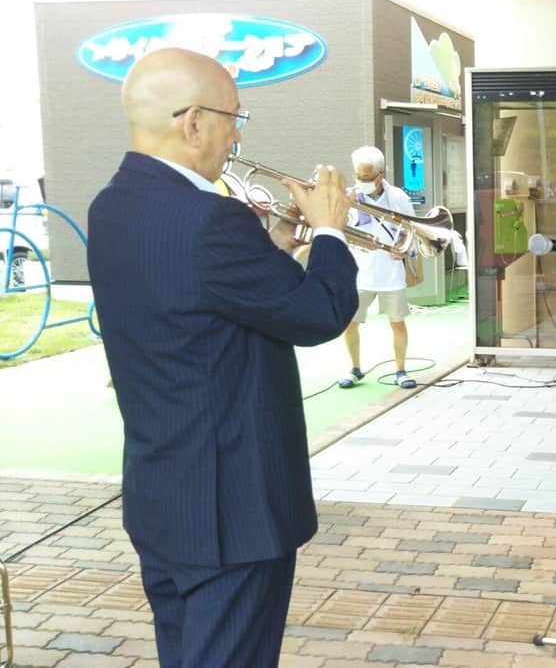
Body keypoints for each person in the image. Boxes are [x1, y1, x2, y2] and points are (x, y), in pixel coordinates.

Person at [87, 48, 359, 666]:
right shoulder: (213, 219)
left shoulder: (112, 206)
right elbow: (319, 315)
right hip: (231, 510)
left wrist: (272, 254)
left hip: (166, 497)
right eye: (234, 116)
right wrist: (332, 231)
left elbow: (195, 300)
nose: (237, 132)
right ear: (191, 123)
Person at [337, 146, 419, 389]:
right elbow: (337, 226)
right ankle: (354, 368)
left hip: (390, 272)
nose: (360, 182)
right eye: (357, 176)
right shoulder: (350, 196)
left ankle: (401, 370)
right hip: (359, 271)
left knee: (397, 321)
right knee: (350, 322)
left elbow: (413, 229)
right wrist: (345, 205)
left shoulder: (398, 198)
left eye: (365, 177)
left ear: (380, 175)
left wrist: (403, 247)